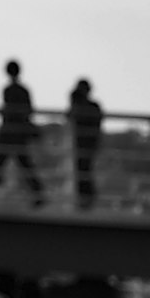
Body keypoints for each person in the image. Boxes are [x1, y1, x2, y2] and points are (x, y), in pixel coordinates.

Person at [0, 60, 44, 207]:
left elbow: (8, 112)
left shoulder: (8, 90)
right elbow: (28, 111)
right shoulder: (24, 90)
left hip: (9, 132)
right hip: (19, 133)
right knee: (24, 164)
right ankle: (38, 195)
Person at [66, 78, 104, 211]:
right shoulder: (93, 106)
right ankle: (85, 200)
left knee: (83, 171)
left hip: (84, 143)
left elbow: (70, 117)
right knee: (83, 171)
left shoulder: (90, 107)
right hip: (87, 143)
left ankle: (85, 201)